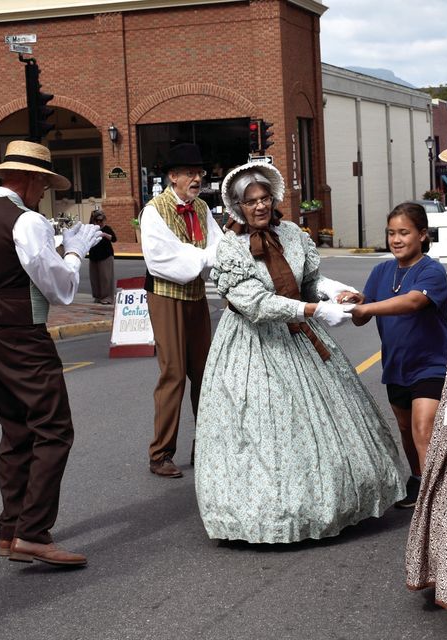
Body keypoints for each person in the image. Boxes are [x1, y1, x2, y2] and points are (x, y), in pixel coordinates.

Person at [194, 162, 408, 543]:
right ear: (236, 206)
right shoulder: (229, 248)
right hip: (253, 344)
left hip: (299, 336)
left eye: (264, 199)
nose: (259, 207)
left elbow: (309, 280)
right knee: (263, 424)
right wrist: (314, 310)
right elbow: (256, 304)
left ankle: (336, 502)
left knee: (326, 419)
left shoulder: (291, 234)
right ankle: (270, 516)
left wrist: (334, 293)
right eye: (250, 202)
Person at [0, 140, 102, 567]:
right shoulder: (27, 222)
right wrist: (75, 250)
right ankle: (33, 532)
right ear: (32, 179)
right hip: (22, 331)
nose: (43, 192)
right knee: (54, 428)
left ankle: (11, 530)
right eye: (43, 183)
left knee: (16, 429)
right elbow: (59, 288)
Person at [348, 202, 447, 509]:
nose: (396, 239)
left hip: (431, 365)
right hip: (396, 366)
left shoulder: (431, 270)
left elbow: (412, 302)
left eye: (404, 232)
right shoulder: (382, 270)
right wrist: (354, 301)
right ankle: (419, 479)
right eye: (391, 233)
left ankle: (437, 501)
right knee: (406, 429)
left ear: (421, 235)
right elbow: (360, 316)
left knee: (424, 428)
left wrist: (367, 306)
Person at [140, 143, 224, 478]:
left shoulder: (202, 207)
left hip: (195, 296)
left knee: (204, 373)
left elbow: (219, 248)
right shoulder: (154, 210)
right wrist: (203, 257)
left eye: (199, 173)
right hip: (166, 296)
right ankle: (160, 454)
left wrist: (211, 260)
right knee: (173, 372)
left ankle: (203, 444)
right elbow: (162, 260)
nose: (196, 178)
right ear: (172, 177)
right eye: (190, 173)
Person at [87, 209, 118, 305]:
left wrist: (104, 235)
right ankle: (98, 296)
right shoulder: (91, 228)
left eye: (101, 220)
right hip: (94, 256)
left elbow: (114, 239)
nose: (99, 222)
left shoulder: (107, 228)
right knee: (95, 277)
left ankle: (107, 297)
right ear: (93, 220)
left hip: (105, 255)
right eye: (97, 220)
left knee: (106, 277)